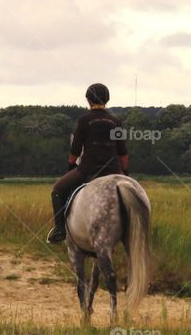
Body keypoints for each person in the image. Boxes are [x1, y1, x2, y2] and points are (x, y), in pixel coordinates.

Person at [46, 83, 129, 244]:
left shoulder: (84, 120)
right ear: (107, 99)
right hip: (113, 171)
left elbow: (75, 151)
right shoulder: (115, 121)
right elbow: (123, 153)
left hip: (88, 170)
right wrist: (125, 173)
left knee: (57, 190)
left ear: (88, 100)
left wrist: (71, 166)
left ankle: (60, 230)